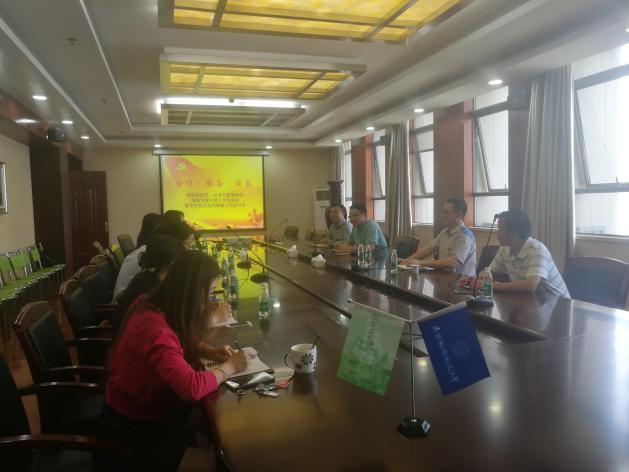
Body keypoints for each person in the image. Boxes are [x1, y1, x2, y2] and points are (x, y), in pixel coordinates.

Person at [97, 251, 251, 470]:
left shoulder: (149, 303)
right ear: (191, 293)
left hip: (141, 409)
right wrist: (230, 366)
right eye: (209, 295)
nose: (209, 302)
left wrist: (208, 351)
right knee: (217, 440)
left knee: (210, 424)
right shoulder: (155, 330)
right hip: (134, 429)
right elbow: (191, 387)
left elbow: (175, 338)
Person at [462, 211, 570, 296]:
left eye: (500, 229)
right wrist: (476, 279)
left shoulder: (537, 250)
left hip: (558, 304)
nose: (497, 232)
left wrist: (488, 285)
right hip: (533, 301)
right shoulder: (505, 249)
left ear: (513, 234)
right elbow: (491, 272)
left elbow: (530, 285)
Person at [112, 234, 183, 336]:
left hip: (132, 335)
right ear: (171, 262)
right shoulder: (150, 287)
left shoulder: (146, 277)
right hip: (133, 338)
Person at [112, 221, 196, 302]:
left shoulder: (152, 253)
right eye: (187, 245)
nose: (188, 250)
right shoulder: (153, 260)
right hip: (125, 305)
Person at [401, 198, 476, 276]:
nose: (442, 215)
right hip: (445, 277)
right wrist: (406, 261)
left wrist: (420, 263)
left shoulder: (465, 236)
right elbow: (428, 250)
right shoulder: (444, 232)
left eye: (446, 213)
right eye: (443, 212)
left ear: (459, 214)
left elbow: (453, 263)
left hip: (461, 281)